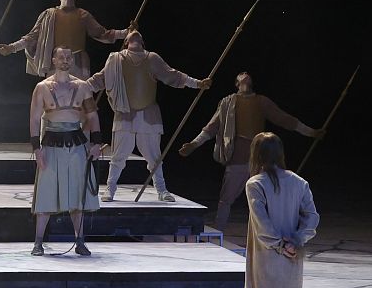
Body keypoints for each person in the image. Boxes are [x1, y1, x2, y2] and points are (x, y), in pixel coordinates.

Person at [179, 72, 324, 231]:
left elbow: (284, 119)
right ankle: (218, 230)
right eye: (241, 74)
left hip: (260, 158)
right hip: (237, 157)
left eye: (247, 74)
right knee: (226, 197)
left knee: (265, 197)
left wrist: (311, 132)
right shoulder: (227, 103)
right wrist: (194, 144)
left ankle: (270, 231)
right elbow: (211, 128)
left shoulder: (261, 101)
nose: (245, 74)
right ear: (236, 83)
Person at [86, 30, 211, 202]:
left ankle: (162, 189)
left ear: (143, 43)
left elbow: (172, 74)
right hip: (124, 115)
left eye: (138, 35)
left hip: (148, 115)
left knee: (154, 158)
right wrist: (77, 88)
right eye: (131, 35)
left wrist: (196, 83)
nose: (135, 34)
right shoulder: (116, 61)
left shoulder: (152, 58)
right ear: (126, 42)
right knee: (118, 157)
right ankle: (110, 188)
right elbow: (98, 79)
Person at [241, 132, 319, 288]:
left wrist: (280, 244)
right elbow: (312, 217)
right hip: (292, 256)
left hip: (268, 256)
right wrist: (296, 241)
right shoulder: (299, 182)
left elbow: (262, 223)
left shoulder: (256, 184)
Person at [28, 47, 102, 256]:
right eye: (61, 57)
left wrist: (96, 143)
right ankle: (38, 242)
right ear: (53, 60)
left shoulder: (82, 87)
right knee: (46, 193)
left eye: (69, 57)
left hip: (76, 144)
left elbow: (93, 116)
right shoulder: (42, 87)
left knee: (78, 194)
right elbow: (34, 119)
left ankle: (80, 241)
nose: (65, 60)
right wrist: (37, 149)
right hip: (51, 144)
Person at [0, 0, 130, 79]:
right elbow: (31, 37)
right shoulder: (48, 15)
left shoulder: (82, 14)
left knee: (80, 98)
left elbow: (102, 33)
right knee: (54, 98)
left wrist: (126, 33)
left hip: (78, 62)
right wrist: (12, 48)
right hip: (56, 62)